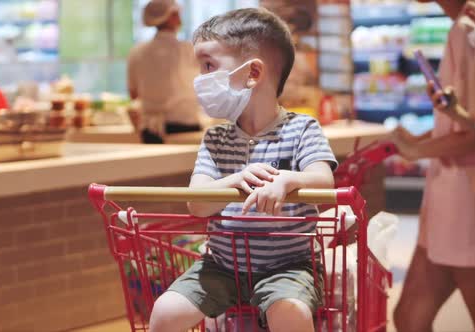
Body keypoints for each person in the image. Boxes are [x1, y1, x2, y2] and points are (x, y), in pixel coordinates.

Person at [148, 8, 338, 332]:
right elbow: (197, 203)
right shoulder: (216, 138)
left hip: (289, 268)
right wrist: (234, 180)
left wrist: (287, 180)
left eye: (208, 66)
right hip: (220, 265)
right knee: (165, 312)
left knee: (292, 314)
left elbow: (325, 183)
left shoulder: (302, 129)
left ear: (252, 73)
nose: (200, 79)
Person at [390, 1, 475, 331]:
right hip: (452, 198)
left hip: (471, 202)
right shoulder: (469, 27)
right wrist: (420, 144)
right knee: (408, 316)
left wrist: (415, 150)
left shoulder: (473, 29)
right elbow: (467, 122)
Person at [127, 0, 201, 144]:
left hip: (151, 130)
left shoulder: (137, 52)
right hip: (185, 127)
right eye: (177, 13)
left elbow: (133, 94)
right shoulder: (189, 50)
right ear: (171, 16)